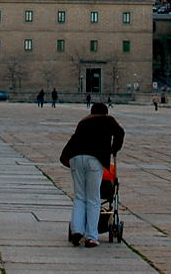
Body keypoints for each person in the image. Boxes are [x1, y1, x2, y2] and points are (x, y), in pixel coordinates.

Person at [59, 102, 124, 248]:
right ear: (105, 112)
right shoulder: (108, 120)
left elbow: (73, 140)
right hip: (94, 160)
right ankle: (91, 237)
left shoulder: (83, 122)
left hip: (75, 158)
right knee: (93, 199)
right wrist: (114, 149)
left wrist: (65, 158)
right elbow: (120, 133)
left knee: (79, 197)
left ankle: (77, 230)